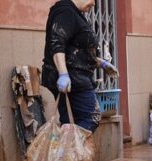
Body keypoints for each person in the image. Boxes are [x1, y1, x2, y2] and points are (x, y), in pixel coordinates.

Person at [42, 0, 118, 133]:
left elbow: (76, 50)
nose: (94, 4)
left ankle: (66, 151)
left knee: (70, 122)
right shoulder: (65, 11)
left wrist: (101, 63)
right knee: (91, 118)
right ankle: (71, 152)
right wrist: (63, 74)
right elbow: (57, 43)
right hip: (74, 78)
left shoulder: (74, 13)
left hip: (74, 76)